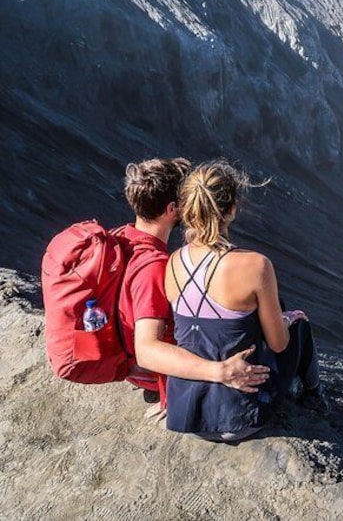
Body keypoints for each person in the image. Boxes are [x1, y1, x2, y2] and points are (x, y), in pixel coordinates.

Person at [163, 160, 331, 442]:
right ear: (231, 210)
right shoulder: (256, 265)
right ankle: (315, 396)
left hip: (189, 416)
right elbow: (279, 344)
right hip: (240, 417)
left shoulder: (172, 263)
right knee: (296, 323)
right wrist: (287, 319)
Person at [118, 158, 270, 414]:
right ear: (172, 209)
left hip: (130, 362)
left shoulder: (122, 239)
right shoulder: (155, 267)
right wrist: (219, 372)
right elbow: (147, 351)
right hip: (159, 374)